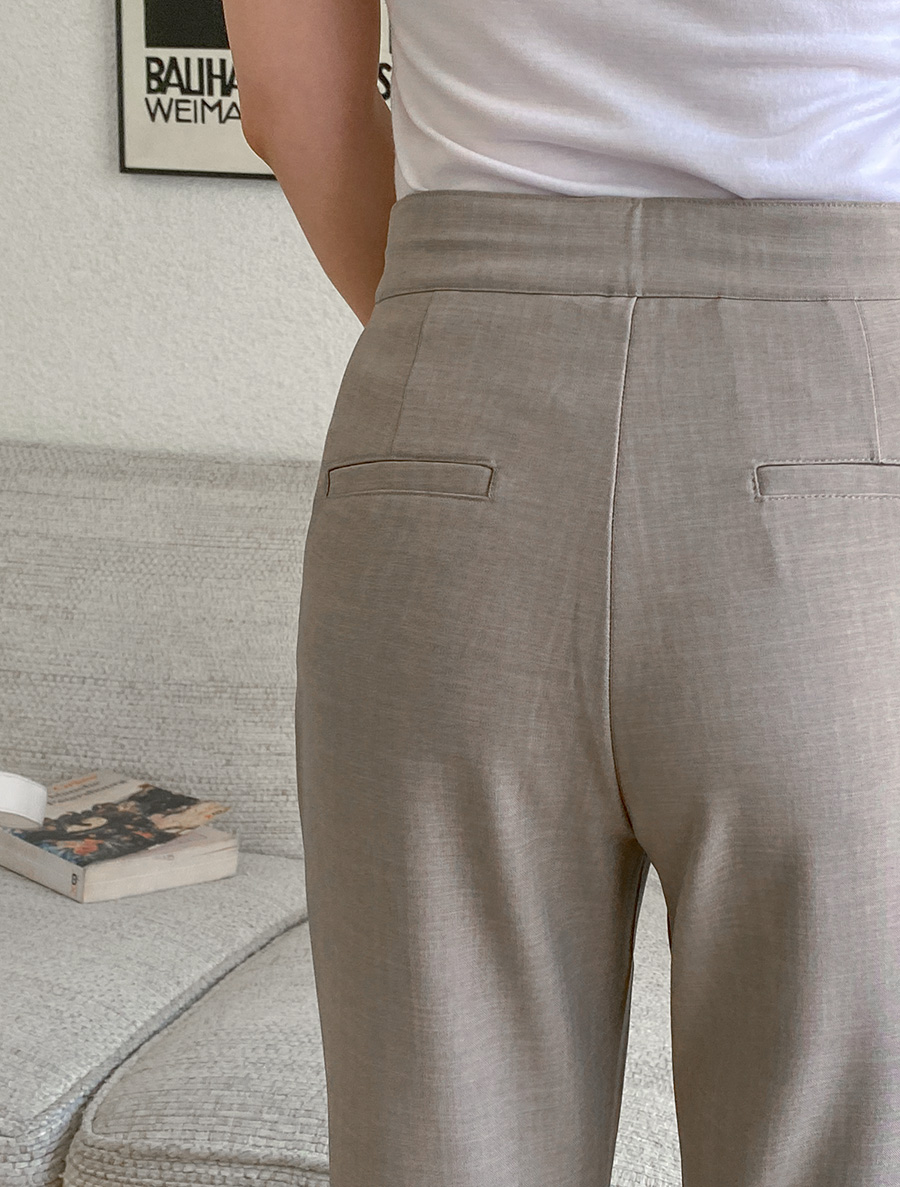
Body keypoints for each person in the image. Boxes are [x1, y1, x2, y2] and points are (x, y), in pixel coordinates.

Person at [221, 2, 900, 1184]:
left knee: (440, 1138)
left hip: (452, 413)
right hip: (840, 412)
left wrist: (476, 332)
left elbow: (288, 99)